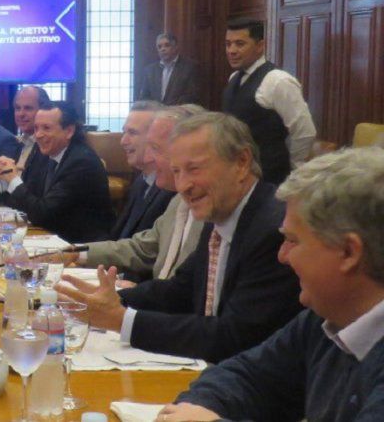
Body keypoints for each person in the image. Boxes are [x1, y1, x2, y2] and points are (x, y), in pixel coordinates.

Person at [57, 112, 303, 363]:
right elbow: (180, 289)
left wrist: (122, 320)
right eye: (177, 171)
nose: (183, 186)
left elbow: (234, 336)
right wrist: (107, 300)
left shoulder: (275, 231)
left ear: (241, 162)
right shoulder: (221, 213)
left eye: (194, 169)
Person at [160, 148, 384, 422]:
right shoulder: (325, 320)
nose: (282, 255)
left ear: (349, 252)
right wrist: (192, 411)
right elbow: (242, 376)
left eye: (292, 240)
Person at [72, 105, 207, 282]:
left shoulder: (209, 209)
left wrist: (133, 293)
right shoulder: (176, 200)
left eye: (156, 148)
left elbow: (182, 288)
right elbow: (142, 248)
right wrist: (74, 253)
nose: (149, 156)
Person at [0, 101, 115, 242]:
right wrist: (4, 178)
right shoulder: (44, 152)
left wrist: (13, 180)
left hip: (80, 244)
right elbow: (27, 199)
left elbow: (42, 214)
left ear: (69, 131)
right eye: (36, 128)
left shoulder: (81, 162)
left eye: (46, 128)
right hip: (50, 235)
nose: (38, 135)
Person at [222, 17, 316, 185]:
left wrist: (295, 169)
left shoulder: (278, 81)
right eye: (228, 44)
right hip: (237, 173)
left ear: (260, 45)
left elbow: (304, 131)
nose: (232, 50)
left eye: (240, 44)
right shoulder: (234, 78)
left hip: (270, 176)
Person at [111, 101, 174, 240]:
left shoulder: (171, 189)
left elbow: (148, 249)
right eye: (124, 132)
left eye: (132, 133)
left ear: (155, 137)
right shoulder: (142, 180)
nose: (123, 141)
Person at [138, 33, 202, 105]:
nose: (163, 49)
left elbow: (191, 95)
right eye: (159, 47)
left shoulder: (189, 67)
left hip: (179, 111)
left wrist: (168, 109)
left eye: (167, 45)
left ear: (175, 47)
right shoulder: (150, 70)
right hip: (155, 111)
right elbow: (144, 97)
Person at [12, 85, 51, 170]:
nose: (21, 114)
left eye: (28, 108)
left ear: (43, 110)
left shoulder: (49, 146)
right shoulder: (13, 143)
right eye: (18, 108)